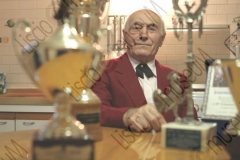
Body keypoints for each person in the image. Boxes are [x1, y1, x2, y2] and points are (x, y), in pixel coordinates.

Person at [92, 9, 198, 132]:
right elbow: (92, 112)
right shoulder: (103, 70)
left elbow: (192, 126)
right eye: (136, 28)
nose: (143, 35)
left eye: (152, 29)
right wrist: (126, 115)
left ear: (162, 39)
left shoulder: (179, 80)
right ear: (125, 35)